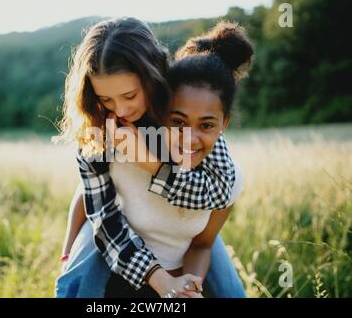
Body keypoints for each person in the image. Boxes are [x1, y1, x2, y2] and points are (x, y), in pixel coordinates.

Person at [54, 17, 250, 298]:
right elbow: (93, 201)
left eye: (130, 95)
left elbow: (221, 190)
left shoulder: (180, 106)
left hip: (187, 225)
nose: (119, 109)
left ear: (153, 77)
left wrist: (151, 165)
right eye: (107, 99)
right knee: (77, 278)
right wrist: (68, 246)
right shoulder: (99, 127)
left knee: (230, 292)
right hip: (117, 217)